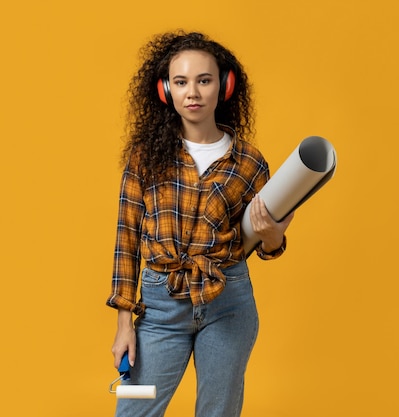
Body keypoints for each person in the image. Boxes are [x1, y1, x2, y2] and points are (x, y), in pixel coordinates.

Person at [106, 30, 295, 417]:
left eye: (204, 80)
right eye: (181, 82)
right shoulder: (145, 158)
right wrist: (125, 324)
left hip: (229, 303)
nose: (192, 92)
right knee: (133, 409)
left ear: (223, 87)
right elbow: (126, 240)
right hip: (160, 308)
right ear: (166, 91)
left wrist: (274, 236)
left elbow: (262, 246)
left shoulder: (250, 162)